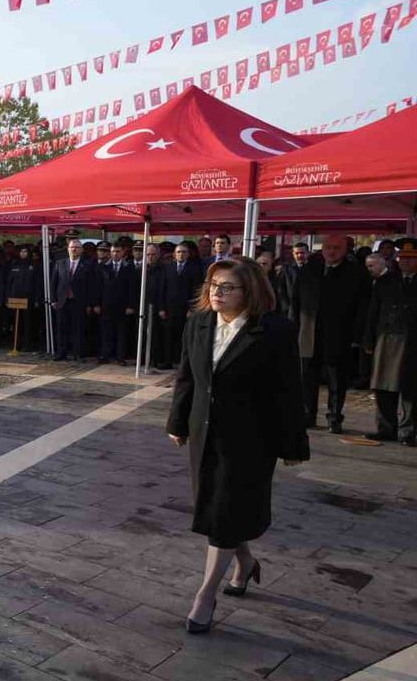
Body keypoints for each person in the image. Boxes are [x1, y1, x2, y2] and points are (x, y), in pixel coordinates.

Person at [167, 257, 308, 634]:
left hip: (250, 439)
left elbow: (288, 390)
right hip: (204, 432)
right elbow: (186, 378)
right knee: (218, 509)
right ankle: (244, 564)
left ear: (251, 291)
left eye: (227, 287)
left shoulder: (275, 330)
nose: (217, 293)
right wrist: (178, 422)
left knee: (225, 510)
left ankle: (205, 595)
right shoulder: (197, 323)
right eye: (213, 285)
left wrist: (293, 443)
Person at [294, 235, 371, 434]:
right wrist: (294, 328)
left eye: (336, 248)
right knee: (307, 378)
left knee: (337, 380)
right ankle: (306, 414)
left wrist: (357, 335)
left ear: (345, 250)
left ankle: (334, 418)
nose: (331, 251)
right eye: (327, 247)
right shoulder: (309, 270)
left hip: (339, 335)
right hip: (308, 334)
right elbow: (296, 301)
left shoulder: (356, 273)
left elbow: (363, 308)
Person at [363, 238, 417, 446]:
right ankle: (386, 427)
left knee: (410, 388)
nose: (405, 262)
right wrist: (368, 339)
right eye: (403, 257)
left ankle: (408, 431)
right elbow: (373, 312)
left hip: (412, 342)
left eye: (411, 259)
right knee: (383, 386)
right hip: (386, 340)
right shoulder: (387, 281)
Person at [51, 239, 98, 361]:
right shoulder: (60, 263)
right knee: (62, 328)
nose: (74, 249)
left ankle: (78, 353)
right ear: (68, 249)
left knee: (78, 328)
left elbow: (91, 286)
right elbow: (54, 283)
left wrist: (89, 304)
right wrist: (53, 299)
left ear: (81, 250)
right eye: (72, 247)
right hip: (62, 301)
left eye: (77, 247)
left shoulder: (88, 265)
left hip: (79, 302)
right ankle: (62, 353)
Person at [160, 244, 205, 370]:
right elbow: (162, 288)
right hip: (169, 309)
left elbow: (197, 291)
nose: (181, 254)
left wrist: (192, 309)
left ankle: (182, 362)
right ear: (174, 254)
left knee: (184, 337)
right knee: (168, 336)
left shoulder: (195, 269)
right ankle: (167, 361)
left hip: (186, 309)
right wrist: (161, 308)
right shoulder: (168, 268)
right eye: (179, 252)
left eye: (184, 252)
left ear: (188, 254)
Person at [97, 241, 139, 365]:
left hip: (122, 306)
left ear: (123, 252)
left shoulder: (129, 267)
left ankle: (120, 357)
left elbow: (133, 288)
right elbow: (98, 287)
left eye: (118, 251)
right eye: (113, 251)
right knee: (106, 332)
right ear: (110, 252)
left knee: (122, 333)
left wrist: (131, 305)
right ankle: (105, 355)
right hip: (106, 306)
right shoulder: (103, 266)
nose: (115, 254)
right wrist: (97, 304)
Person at [275, 242, 309, 322]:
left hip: (308, 310)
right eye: (297, 253)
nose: (300, 256)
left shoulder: (314, 269)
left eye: (302, 253)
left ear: (308, 253)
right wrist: (286, 307)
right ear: (293, 254)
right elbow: (281, 289)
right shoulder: (286, 269)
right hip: (291, 310)